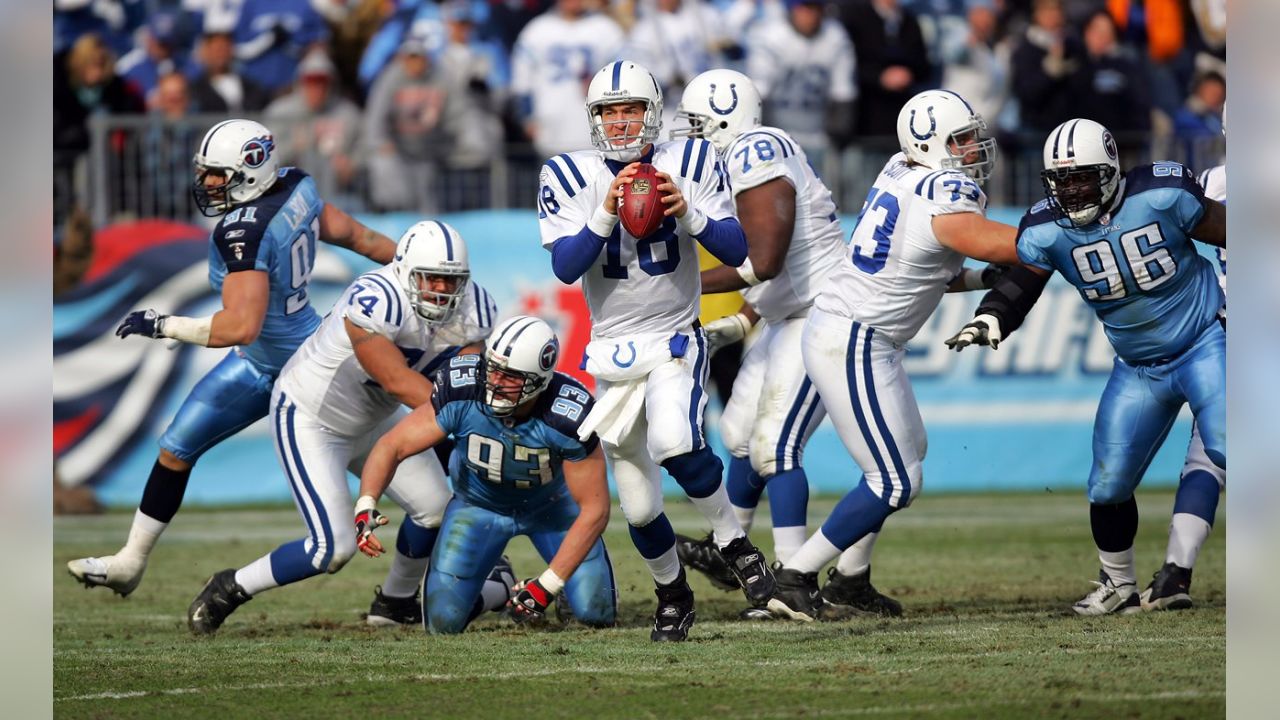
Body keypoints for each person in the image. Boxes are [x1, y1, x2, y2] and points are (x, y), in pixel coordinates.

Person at [67, 118, 397, 597]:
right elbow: (359, 238)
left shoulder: (244, 229)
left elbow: (242, 325)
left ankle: (444, 571)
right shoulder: (297, 187)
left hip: (306, 372)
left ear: (252, 168)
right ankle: (130, 561)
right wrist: (409, 264)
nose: (208, 183)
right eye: (207, 173)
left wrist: (165, 325)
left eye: (217, 174)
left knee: (407, 481)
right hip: (268, 358)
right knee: (175, 449)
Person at [944, 118, 1226, 615]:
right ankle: (1118, 585)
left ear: (1112, 169)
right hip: (1138, 366)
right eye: (1062, 181)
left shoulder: (1162, 194)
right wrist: (991, 317)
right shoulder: (1047, 228)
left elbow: (1230, 230)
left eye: (1082, 178)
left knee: (1231, 446)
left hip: (1206, 340)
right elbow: (1025, 277)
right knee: (1107, 484)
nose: (1072, 190)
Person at [537, 60, 773, 642]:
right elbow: (566, 268)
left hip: (673, 335)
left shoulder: (689, 160)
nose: (621, 123)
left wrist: (687, 212)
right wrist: (605, 211)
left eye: (631, 109)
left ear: (654, 111)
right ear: (594, 118)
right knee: (639, 505)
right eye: (609, 112)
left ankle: (734, 543)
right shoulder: (569, 173)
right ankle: (673, 593)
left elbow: (738, 247)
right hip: (612, 350)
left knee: (675, 441)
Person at [766, 90, 1020, 621]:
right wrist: (1066, 235)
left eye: (972, 136)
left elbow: (926, 266)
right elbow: (990, 240)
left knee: (910, 452)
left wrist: (979, 280)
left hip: (857, 333)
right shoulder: (944, 191)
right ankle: (793, 578)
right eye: (961, 139)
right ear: (928, 145)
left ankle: (850, 581)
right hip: (855, 336)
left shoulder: (901, 171)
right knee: (896, 479)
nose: (973, 148)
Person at [184, 220, 501, 634]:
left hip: (373, 418)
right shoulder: (375, 298)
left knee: (435, 510)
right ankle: (231, 585)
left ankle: (395, 601)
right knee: (330, 550)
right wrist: (476, 422)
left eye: (450, 279)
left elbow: (461, 380)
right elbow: (398, 382)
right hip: (311, 416)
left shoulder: (475, 309)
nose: (441, 290)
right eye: (431, 278)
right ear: (405, 271)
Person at [669, 69, 893, 616]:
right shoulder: (743, 155)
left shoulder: (755, 149)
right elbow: (775, 268)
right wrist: (746, 319)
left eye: (699, 124)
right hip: (784, 315)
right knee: (738, 435)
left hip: (821, 315)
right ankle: (733, 554)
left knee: (775, 447)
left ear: (726, 116)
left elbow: (763, 260)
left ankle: (793, 582)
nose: (694, 135)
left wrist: (672, 282)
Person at [354, 316, 617, 634]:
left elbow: (595, 509)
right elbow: (392, 446)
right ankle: (500, 584)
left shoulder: (566, 415)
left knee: (595, 612)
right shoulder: (464, 390)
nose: (494, 381)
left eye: (509, 377)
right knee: (443, 623)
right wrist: (366, 502)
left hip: (552, 509)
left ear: (538, 380)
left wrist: (547, 585)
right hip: (477, 507)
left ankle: (565, 594)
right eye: (492, 368)